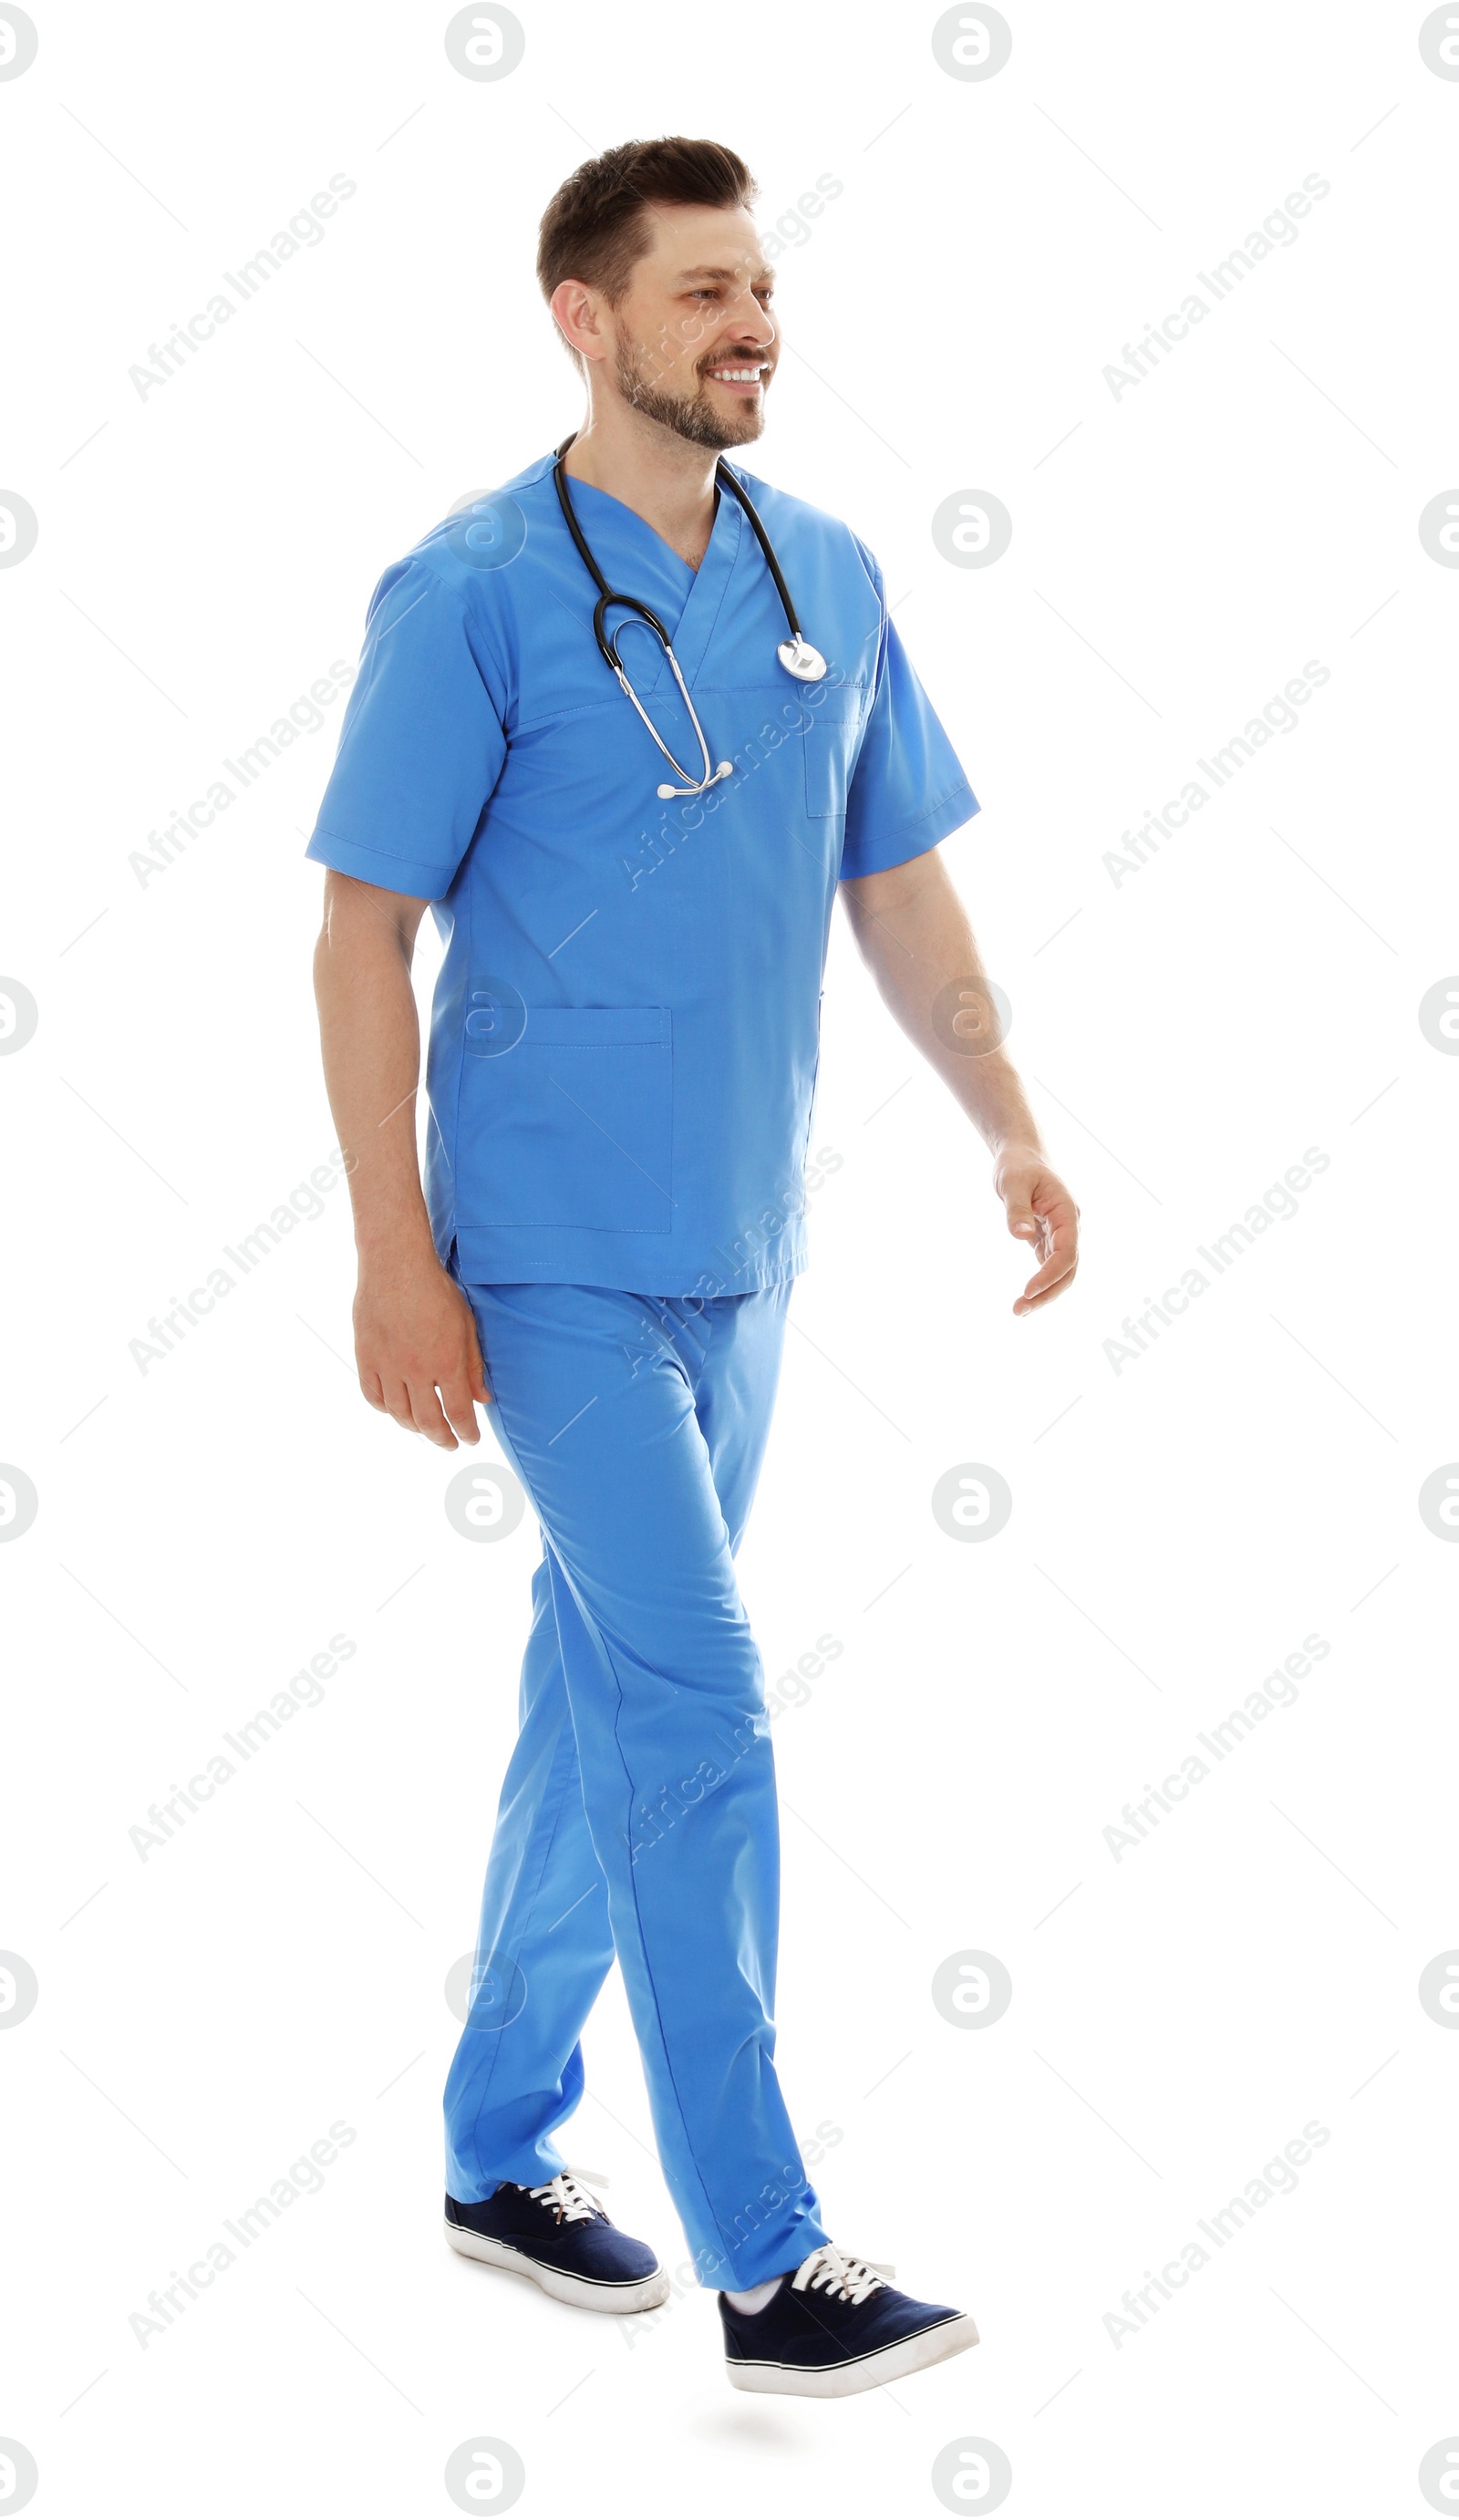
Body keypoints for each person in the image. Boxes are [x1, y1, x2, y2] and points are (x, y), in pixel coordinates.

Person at [305, 135, 1079, 2399]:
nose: (753, 323)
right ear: (584, 315)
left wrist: (1010, 1120)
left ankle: (490, 2147)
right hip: (539, 1259)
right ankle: (770, 2255)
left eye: (764, 287)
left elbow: (896, 883)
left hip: (744, 1248)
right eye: (704, 291)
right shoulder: (465, 586)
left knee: (597, 1695)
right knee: (702, 1704)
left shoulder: (821, 568)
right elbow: (360, 927)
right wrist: (388, 1258)